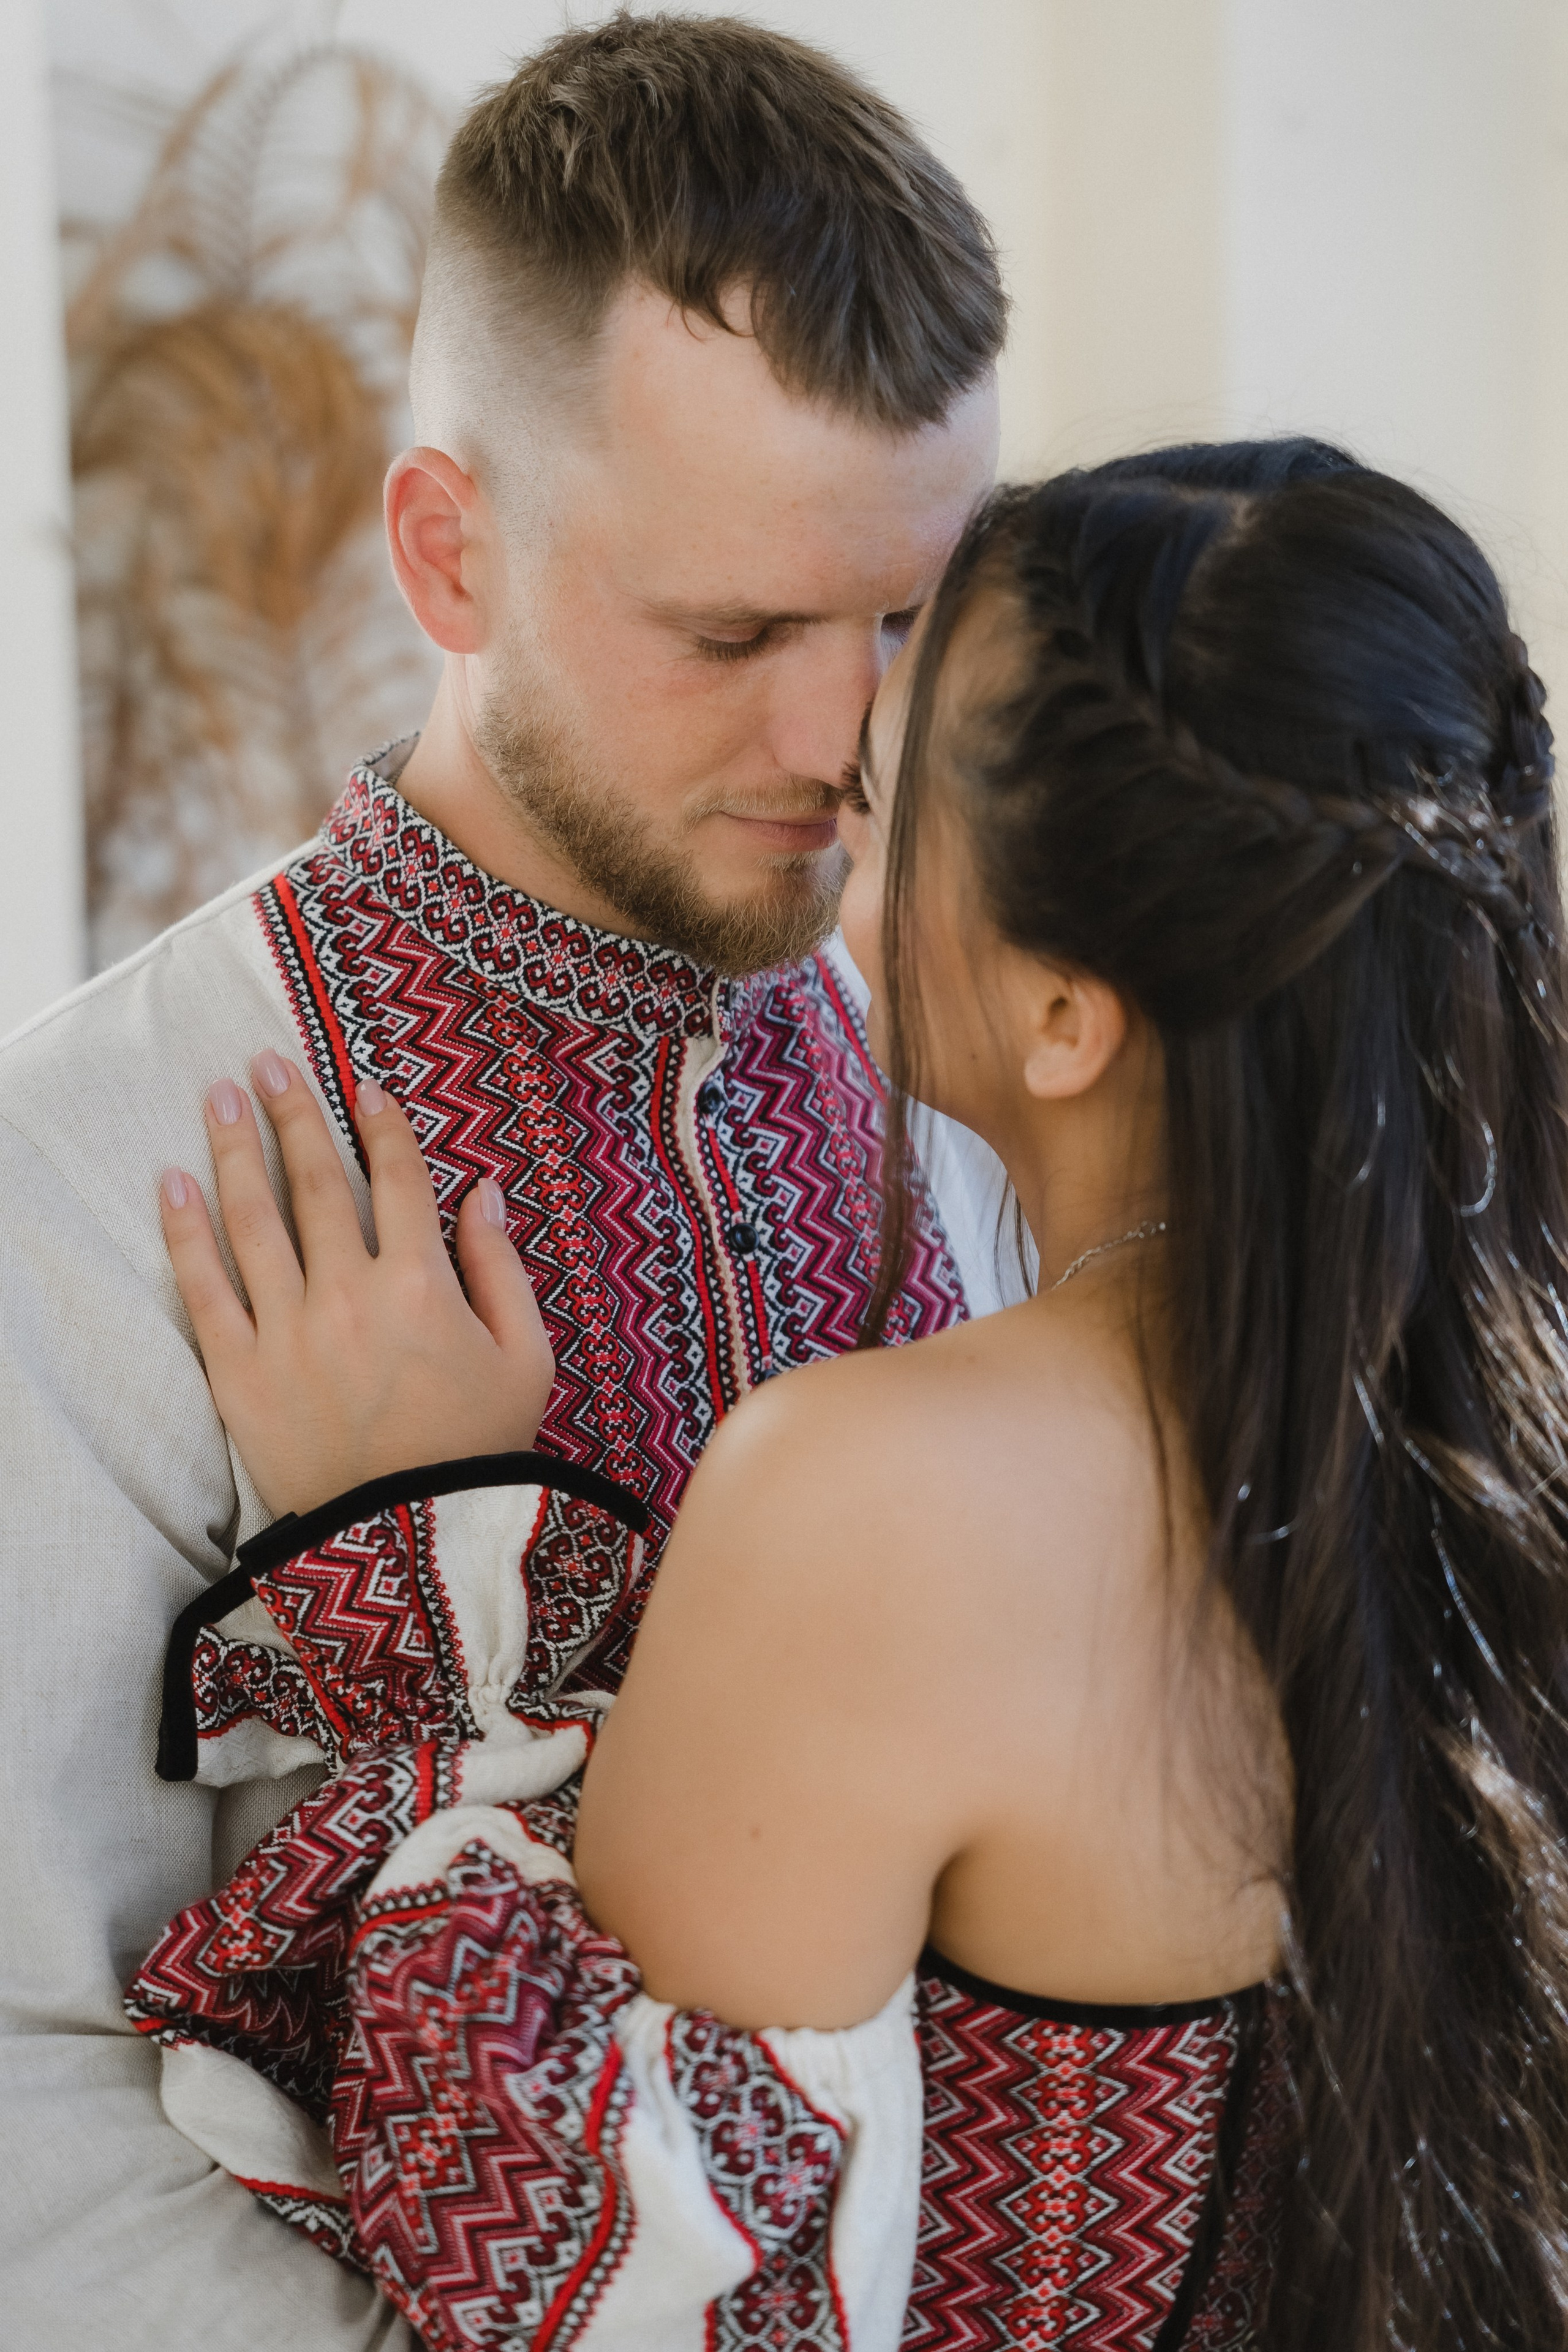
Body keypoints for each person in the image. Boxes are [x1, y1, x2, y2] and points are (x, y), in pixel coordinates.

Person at [129, 434, 1568, 2350]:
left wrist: (429, 1567)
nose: (827, 766)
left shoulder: (885, 1495)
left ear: (1069, 1015)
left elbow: (597, 2277)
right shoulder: (1496, 1435)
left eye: (891, 802)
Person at [0, 18, 1009, 2348]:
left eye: (901, 618)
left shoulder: (993, 1094)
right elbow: (30, 2110)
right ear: (449, 553)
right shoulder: (84, 1177)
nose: (842, 740)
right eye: (733, 631)